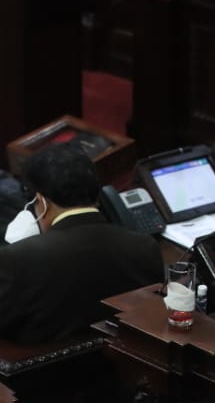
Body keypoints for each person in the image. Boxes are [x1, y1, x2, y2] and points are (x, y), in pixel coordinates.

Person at [0, 143, 161, 344]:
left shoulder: (17, 259)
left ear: (41, 201)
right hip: (123, 368)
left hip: (46, 373)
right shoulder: (146, 247)